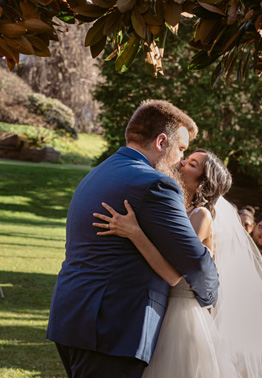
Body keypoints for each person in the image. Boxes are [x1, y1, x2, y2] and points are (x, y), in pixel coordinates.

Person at [46, 100, 219, 377]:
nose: (181, 161)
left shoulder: (95, 175)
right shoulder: (156, 184)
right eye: (182, 150)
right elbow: (195, 263)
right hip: (112, 329)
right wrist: (211, 297)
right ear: (162, 142)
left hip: (71, 318)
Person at [94, 149, 262, 377]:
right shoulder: (175, 210)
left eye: (192, 164)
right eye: (187, 159)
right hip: (159, 306)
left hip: (181, 316)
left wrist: (134, 232)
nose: (181, 163)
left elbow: (172, 273)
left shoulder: (201, 216)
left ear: (203, 183)